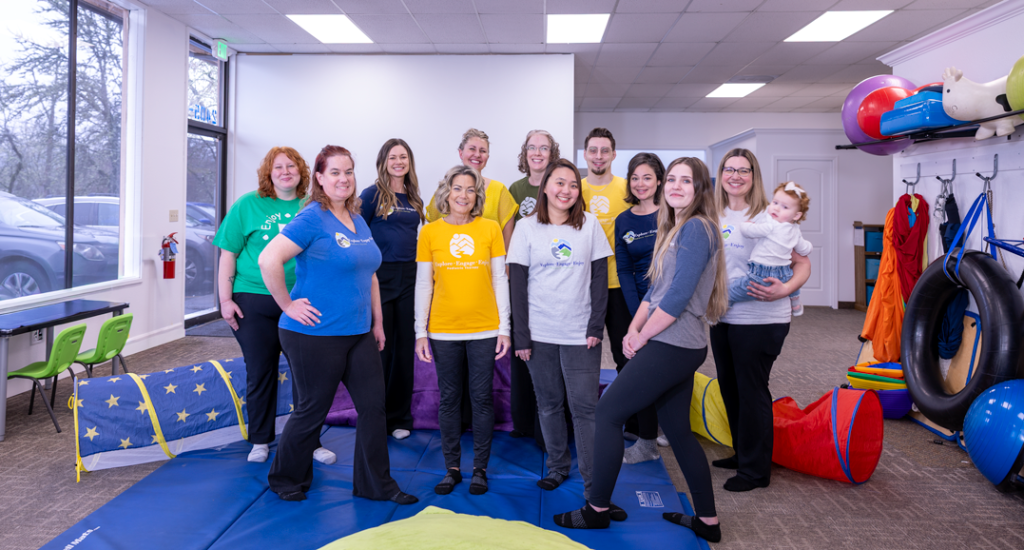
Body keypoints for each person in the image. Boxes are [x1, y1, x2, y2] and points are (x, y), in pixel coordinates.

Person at [554, 157, 727, 544]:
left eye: (688, 181)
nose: (678, 186)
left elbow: (679, 297)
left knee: (608, 412)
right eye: (674, 180)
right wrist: (634, 327)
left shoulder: (697, 228)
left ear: (701, 189)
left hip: (674, 343)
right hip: (678, 342)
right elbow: (656, 289)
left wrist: (643, 336)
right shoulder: (676, 226)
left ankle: (596, 509)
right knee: (680, 432)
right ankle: (707, 521)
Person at [259, 145, 417, 505]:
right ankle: (285, 477)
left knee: (374, 407)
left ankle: (375, 485)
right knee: (313, 409)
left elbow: (371, 274)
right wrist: (287, 304)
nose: (343, 179)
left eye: (348, 172)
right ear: (319, 178)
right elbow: (269, 259)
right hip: (314, 332)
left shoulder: (357, 218)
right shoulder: (312, 217)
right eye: (334, 172)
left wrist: (377, 322)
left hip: (358, 332)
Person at [213, 146, 336, 466]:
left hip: (301, 299)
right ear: (269, 173)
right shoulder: (247, 205)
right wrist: (225, 301)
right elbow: (228, 254)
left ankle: (309, 441)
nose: (285, 172)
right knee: (260, 370)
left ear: (302, 172)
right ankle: (260, 439)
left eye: (291, 166)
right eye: (278, 167)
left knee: (306, 374)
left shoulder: (314, 207)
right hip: (253, 299)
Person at [507, 158, 611, 500]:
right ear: (545, 187)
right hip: (539, 332)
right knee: (549, 404)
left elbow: (599, 280)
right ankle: (557, 466)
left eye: (572, 184)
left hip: (581, 333)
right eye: (559, 183)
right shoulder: (526, 227)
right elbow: (517, 286)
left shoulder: (591, 224)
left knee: (584, 408)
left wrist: (597, 324)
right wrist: (521, 334)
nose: (566, 190)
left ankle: (594, 481)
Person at [710, 148, 810, 493]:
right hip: (723, 315)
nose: (735, 176)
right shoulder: (713, 213)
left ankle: (755, 471)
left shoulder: (773, 214)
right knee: (730, 388)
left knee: (752, 391)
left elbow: (803, 264)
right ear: (720, 173)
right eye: (729, 169)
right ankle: (742, 452)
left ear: (754, 176)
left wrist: (785, 289)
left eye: (744, 170)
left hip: (762, 317)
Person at [415, 164, 511, 496]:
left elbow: (500, 280)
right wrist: (420, 332)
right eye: (458, 188)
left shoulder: (491, 229)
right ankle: (452, 468)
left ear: (477, 196)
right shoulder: (429, 233)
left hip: (485, 328)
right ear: (447, 192)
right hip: (443, 330)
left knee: (482, 398)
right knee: (450, 399)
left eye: (471, 190)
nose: (464, 195)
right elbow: (423, 285)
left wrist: (505, 328)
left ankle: (479, 470)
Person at [359, 139, 426, 440]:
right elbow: (357, 233)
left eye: (403, 157)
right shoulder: (372, 195)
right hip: (380, 276)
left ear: (409, 161)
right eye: (392, 157)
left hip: (409, 276)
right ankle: (377, 417)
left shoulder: (413, 196)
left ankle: (400, 417)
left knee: (403, 350)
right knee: (380, 348)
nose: (398, 162)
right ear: (383, 161)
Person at [507, 129, 561, 443]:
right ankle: (524, 422)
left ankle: (550, 428)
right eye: (532, 148)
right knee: (522, 349)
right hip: (523, 279)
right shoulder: (514, 189)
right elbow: (511, 237)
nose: (537, 153)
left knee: (549, 355)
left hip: (553, 280)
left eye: (543, 148)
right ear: (525, 153)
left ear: (551, 153)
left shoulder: (561, 184)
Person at [614, 152, 665, 464]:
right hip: (640, 307)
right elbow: (624, 271)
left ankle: (670, 426)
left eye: (647, 177)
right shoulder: (624, 220)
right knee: (641, 371)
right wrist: (637, 317)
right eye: (635, 177)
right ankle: (648, 441)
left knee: (671, 371)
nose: (640, 183)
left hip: (675, 305)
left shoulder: (673, 214)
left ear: (659, 180)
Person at [580, 128, 631, 402]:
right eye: (593, 150)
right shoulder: (574, 189)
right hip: (583, 287)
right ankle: (583, 417)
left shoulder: (627, 189)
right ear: (585, 154)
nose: (598, 157)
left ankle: (636, 421)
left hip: (620, 285)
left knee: (625, 355)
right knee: (584, 357)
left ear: (613, 154)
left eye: (604, 151)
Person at [727, 181, 811, 317]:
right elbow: (803, 248)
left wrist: (746, 224)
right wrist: (809, 247)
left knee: (733, 290)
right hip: (784, 272)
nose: (776, 208)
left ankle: (725, 303)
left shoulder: (770, 225)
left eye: (784, 207)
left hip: (762, 272)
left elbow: (749, 231)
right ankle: (795, 301)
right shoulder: (795, 229)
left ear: (796, 215)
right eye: (775, 202)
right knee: (790, 280)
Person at [426, 128, 518, 249]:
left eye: (483, 151)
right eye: (472, 149)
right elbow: (432, 231)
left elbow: (508, 240)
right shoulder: (444, 188)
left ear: (487, 157)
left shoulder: (499, 190)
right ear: (461, 153)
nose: (477, 154)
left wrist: (504, 266)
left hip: (487, 265)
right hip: (447, 264)